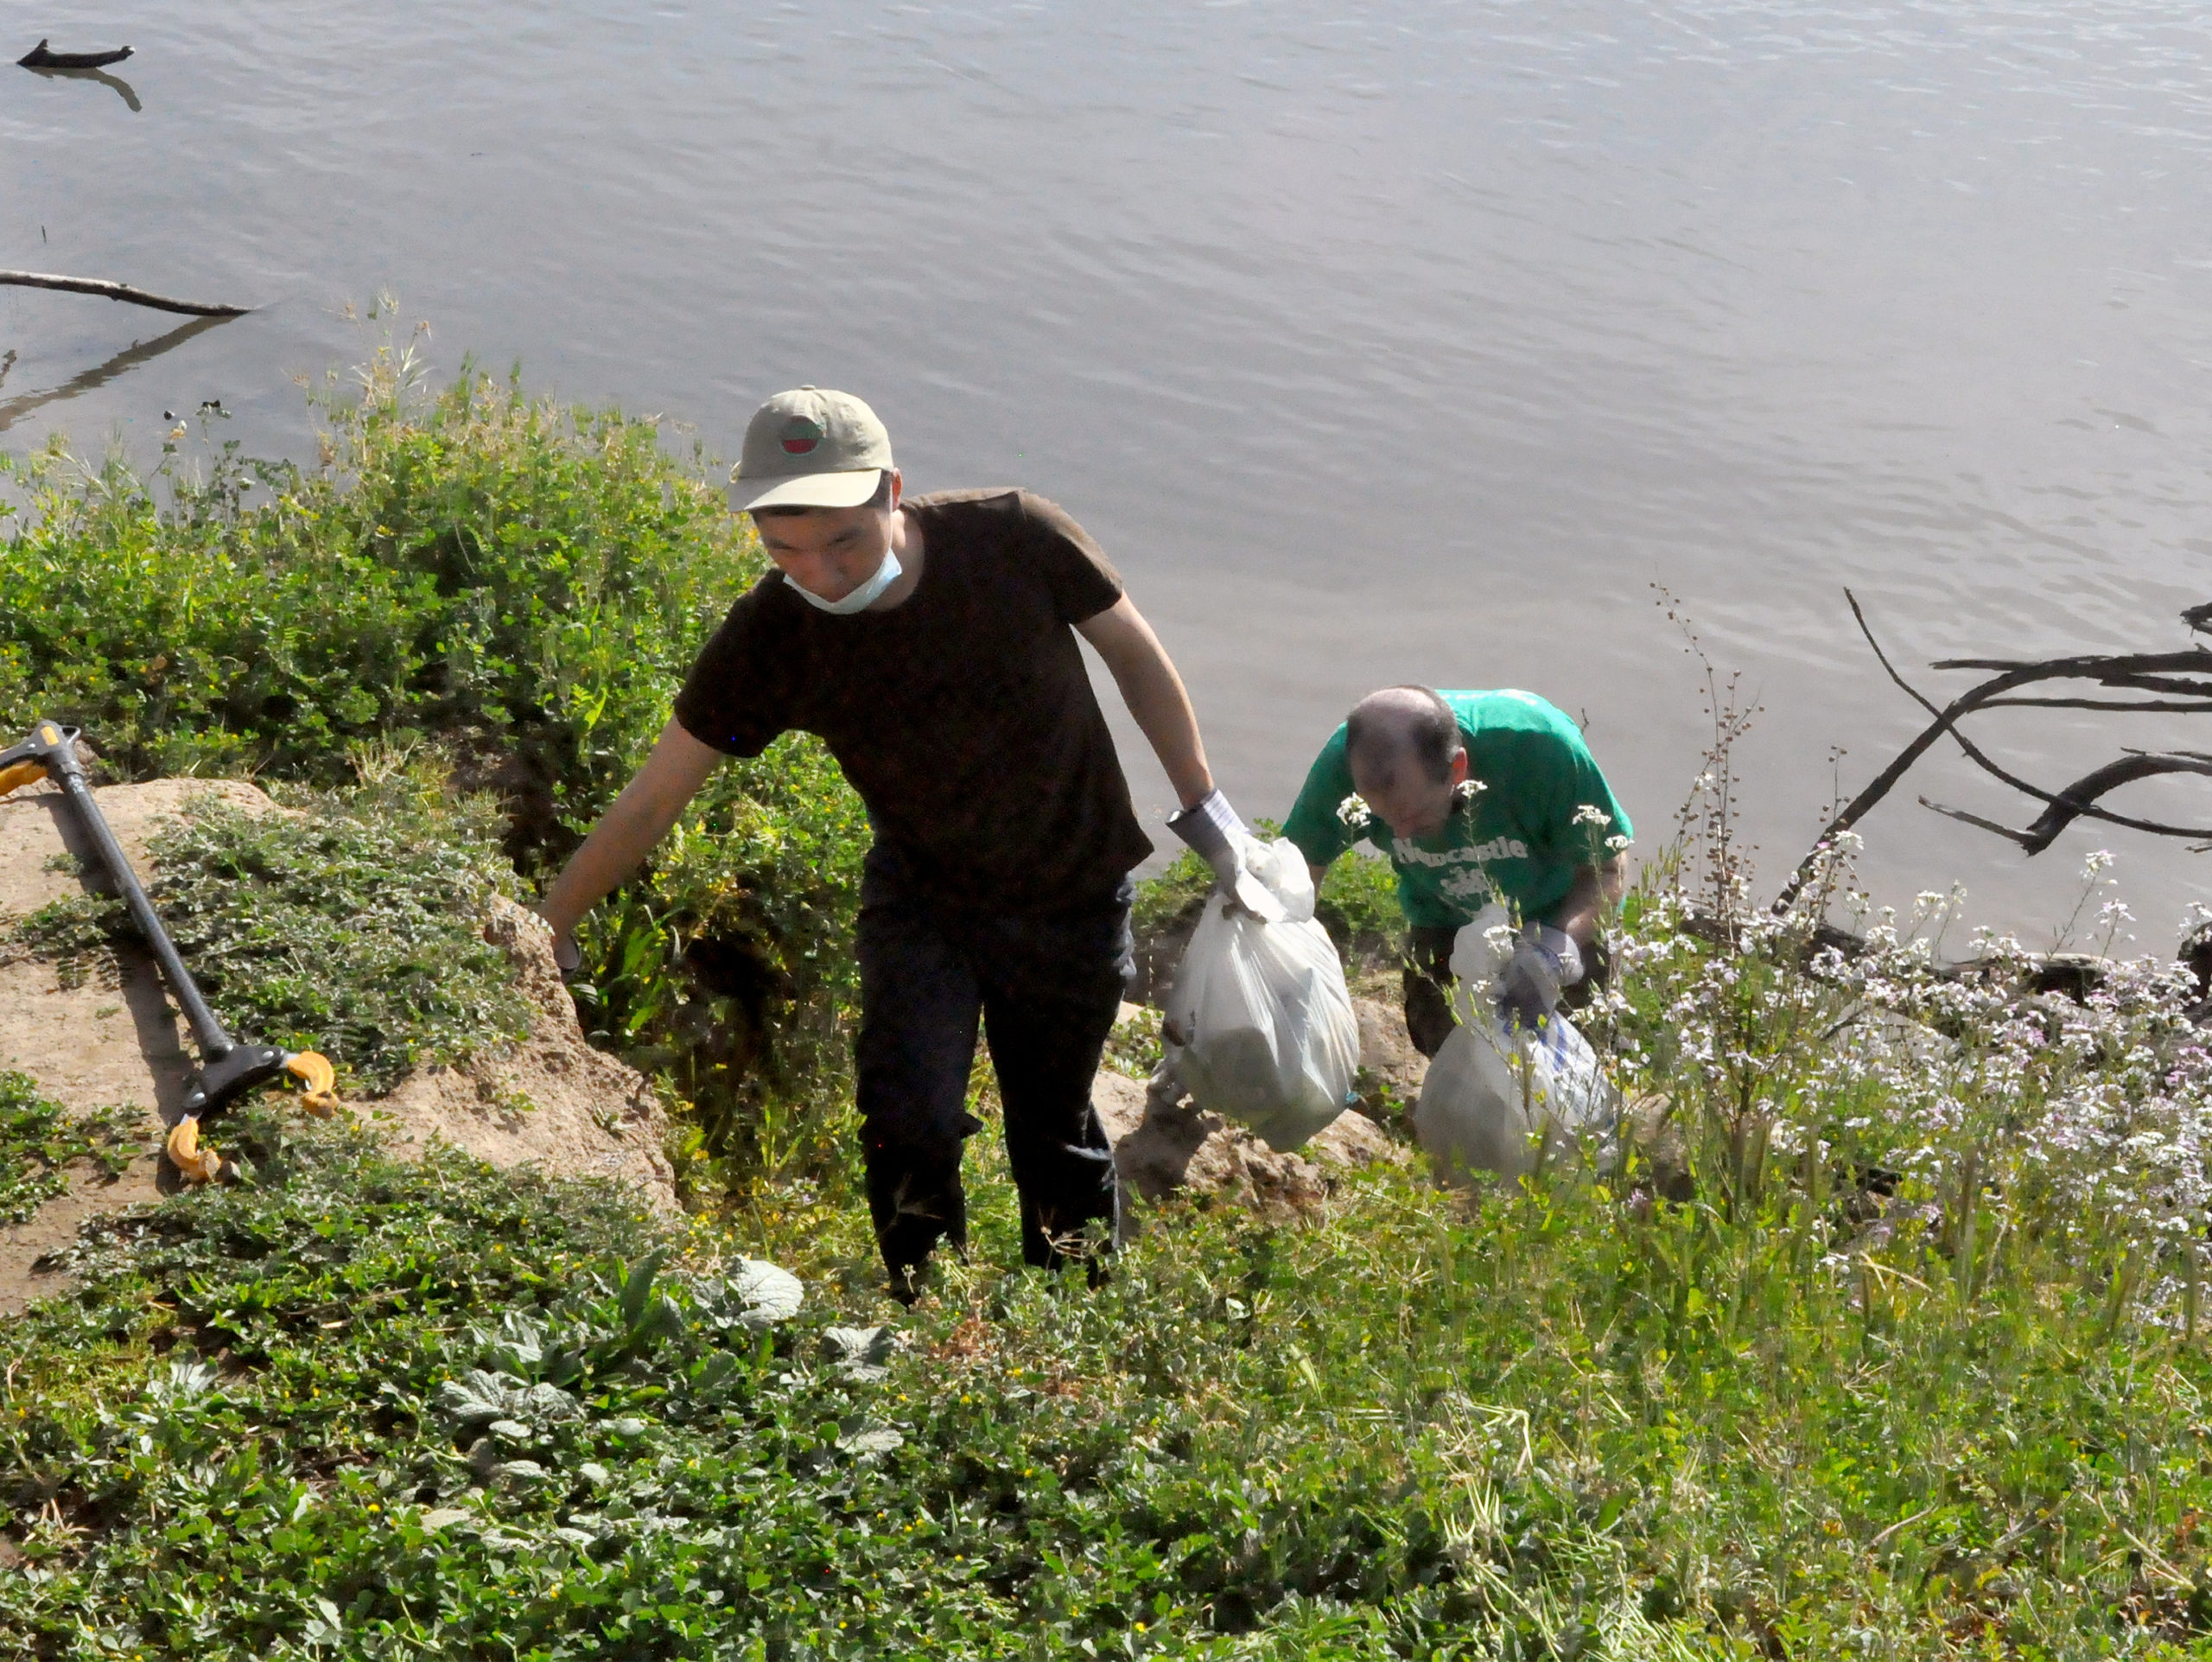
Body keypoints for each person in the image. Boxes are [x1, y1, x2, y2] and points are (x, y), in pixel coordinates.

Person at [535, 386, 1252, 1300]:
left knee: (1052, 1127)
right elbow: (655, 794)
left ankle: (1082, 1328)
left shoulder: (1013, 537)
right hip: (926, 896)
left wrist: (1210, 817)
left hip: (1069, 889)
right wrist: (551, 919)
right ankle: (927, 1315)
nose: (822, 574)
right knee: (905, 1115)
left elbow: (1134, 655)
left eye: (844, 541)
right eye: (784, 548)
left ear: (891, 493)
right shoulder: (774, 635)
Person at [1281, 685, 1631, 1057]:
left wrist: (1553, 949)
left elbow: (1609, 869)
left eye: (1412, 815)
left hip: (1561, 914)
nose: (1400, 836)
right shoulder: (1346, 765)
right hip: (1445, 916)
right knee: (1448, 1050)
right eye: (1384, 820)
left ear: (1458, 768)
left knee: (1576, 1062)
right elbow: (1297, 869)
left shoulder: (1539, 747)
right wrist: (1283, 960)